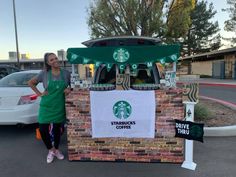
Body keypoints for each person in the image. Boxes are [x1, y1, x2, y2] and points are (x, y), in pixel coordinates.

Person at [28, 52, 71, 163]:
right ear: (48, 63)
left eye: (55, 58)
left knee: (57, 130)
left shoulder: (66, 73)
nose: (55, 60)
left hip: (59, 105)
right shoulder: (44, 74)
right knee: (43, 129)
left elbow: (72, 85)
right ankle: (51, 150)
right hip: (46, 106)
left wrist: (69, 90)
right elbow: (31, 83)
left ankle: (56, 150)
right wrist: (39, 93)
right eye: (51, 60)